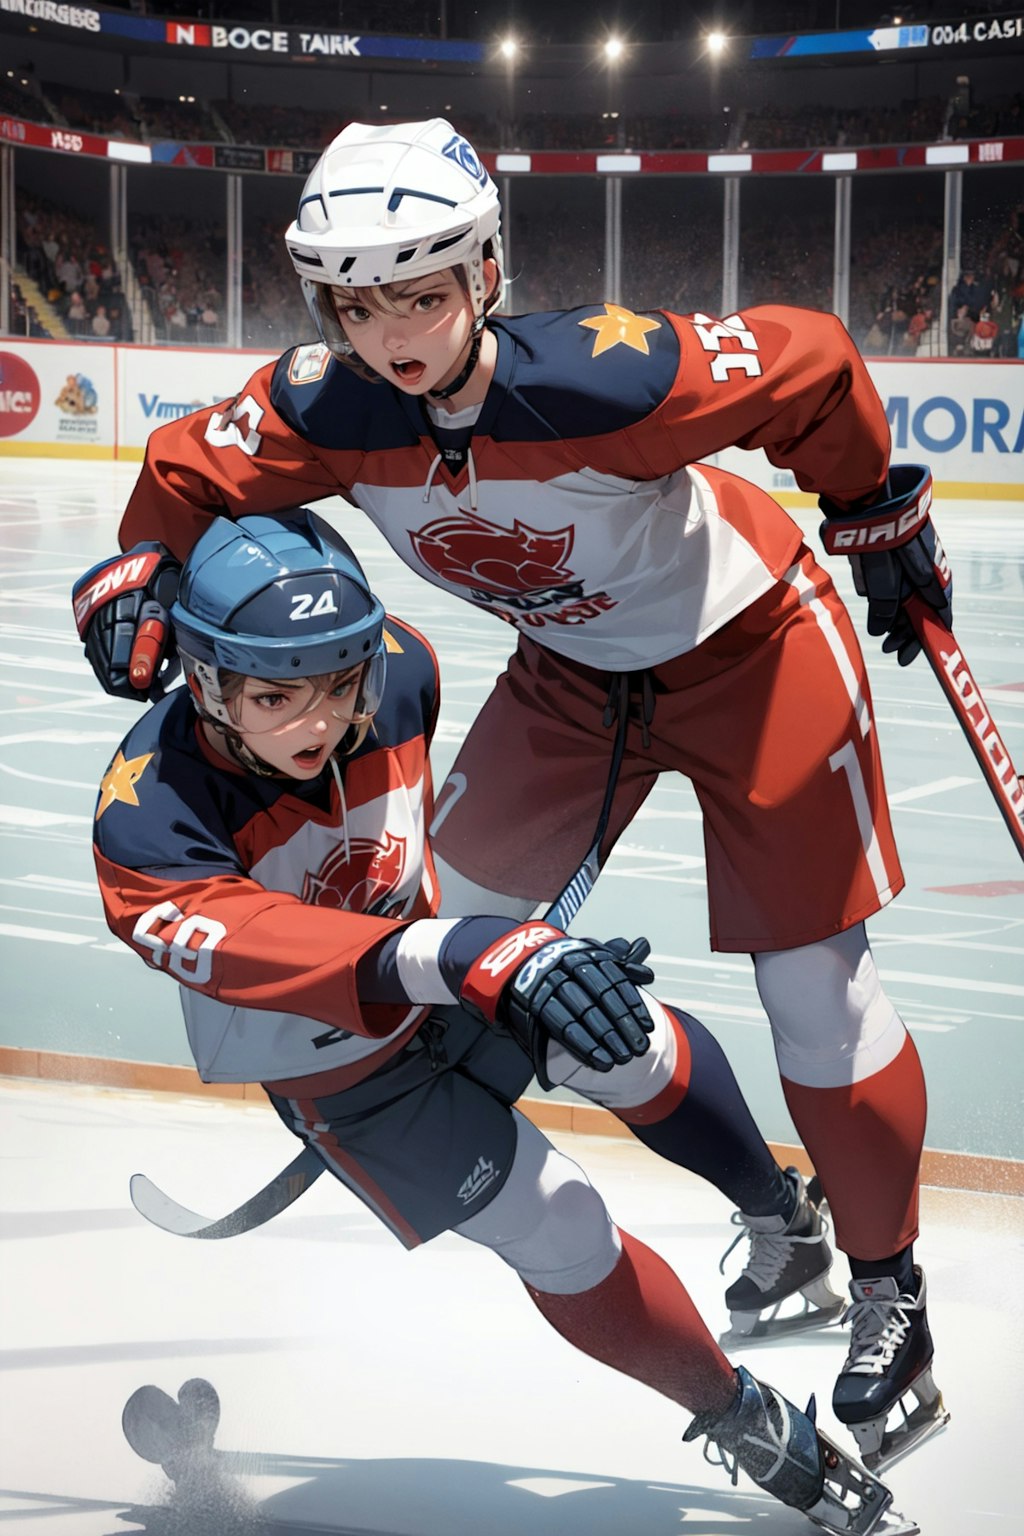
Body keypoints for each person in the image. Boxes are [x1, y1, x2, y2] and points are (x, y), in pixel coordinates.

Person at [74, 118, 955, 1474]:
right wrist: (139, 563)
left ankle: (888, 1285)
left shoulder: (610, 376)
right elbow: (193, 466)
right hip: (569, 681)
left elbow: (815, 362)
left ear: (485, 273)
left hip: (752, 645)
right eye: (357, 304)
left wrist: (873, 511)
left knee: (812, 984)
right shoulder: (324, 404)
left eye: (420, 293)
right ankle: (771, 1216)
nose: (391, 337)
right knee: (447, 932)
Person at [89, 509, 901, 1534]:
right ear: (203, 681)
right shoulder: (147, 829)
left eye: (340, 685)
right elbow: (279, 954)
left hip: (440, 961)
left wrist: (480, 951)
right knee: (556, 1224)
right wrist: (476, 955)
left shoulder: (400, 668)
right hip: (337, 1066)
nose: (320, 722)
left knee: (626, 1034)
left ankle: (781, 1220)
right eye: (274, 696)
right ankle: (739, 1416)